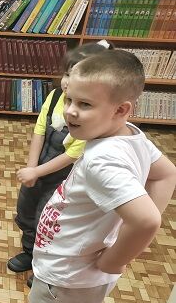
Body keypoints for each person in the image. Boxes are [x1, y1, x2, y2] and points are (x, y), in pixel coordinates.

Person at [0, 50, 176, 303]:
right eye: (69, 100)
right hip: (79, 272)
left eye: (85, 105)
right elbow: (166, 175)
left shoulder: (101, 160)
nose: (70, 112)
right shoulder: (132, 136)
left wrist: (115, 259)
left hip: (68, 274)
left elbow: (147, 219)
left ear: (121, 109)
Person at [8, 41, 114, 288]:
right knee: (26, 211)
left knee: (49, 219)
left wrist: (37, 171)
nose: (67, 82)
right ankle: (28, 251)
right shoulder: (55, 96)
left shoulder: (91, 119)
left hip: (61, 177)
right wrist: (32, 167)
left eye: (75, 76)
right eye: (67, 74)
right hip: (39, 168)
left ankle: (41, 265)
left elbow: (73, 154)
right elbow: (40, 129)